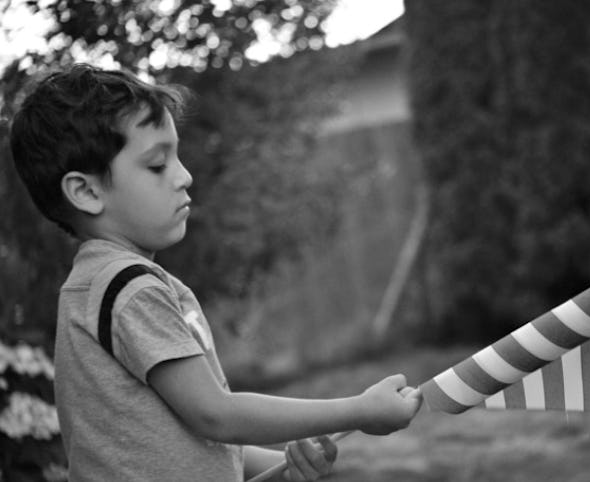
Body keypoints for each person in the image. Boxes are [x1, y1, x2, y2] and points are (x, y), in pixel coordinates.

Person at [9, 63, 422, 482]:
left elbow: (191, 441)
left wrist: (282, 469)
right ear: (87, 191)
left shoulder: (100, 287)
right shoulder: (127, 288)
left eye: (177, 156)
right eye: (157, 165)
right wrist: (360, 410)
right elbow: (216, 416)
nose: (184, 175)